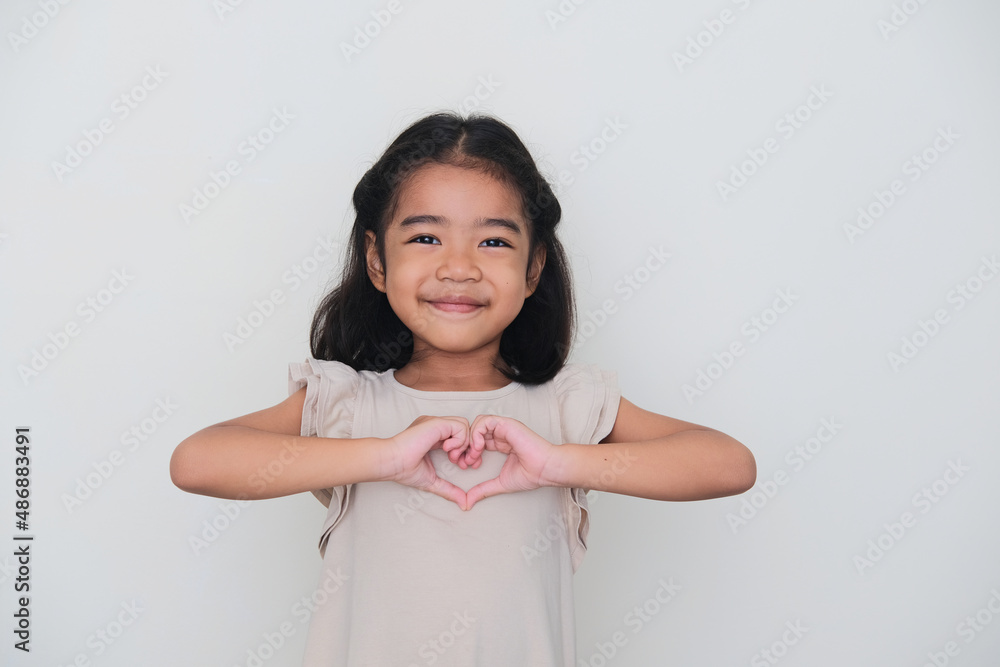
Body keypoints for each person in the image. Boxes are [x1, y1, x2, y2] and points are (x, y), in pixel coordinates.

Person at [169, 111, 757, 666]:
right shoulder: (347, 403)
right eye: (426, 238)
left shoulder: (562, 405)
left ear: (533, 269)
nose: (459, 267)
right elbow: (197, 462)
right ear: (376, 260)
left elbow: (728, 465)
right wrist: (385, 455)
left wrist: (558, 463)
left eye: (494, 241)